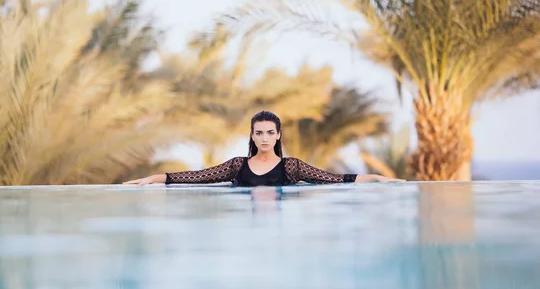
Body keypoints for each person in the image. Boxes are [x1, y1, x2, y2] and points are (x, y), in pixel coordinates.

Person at [123, 111, 405, 186]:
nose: (265, 138)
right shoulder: (237, 166)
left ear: (278, 135)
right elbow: (195, 176)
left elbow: (338, 179)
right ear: (252, 136)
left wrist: (380, 178)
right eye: (260, 133)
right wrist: (154, 178)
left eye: (270, 132)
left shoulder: (292, 167)